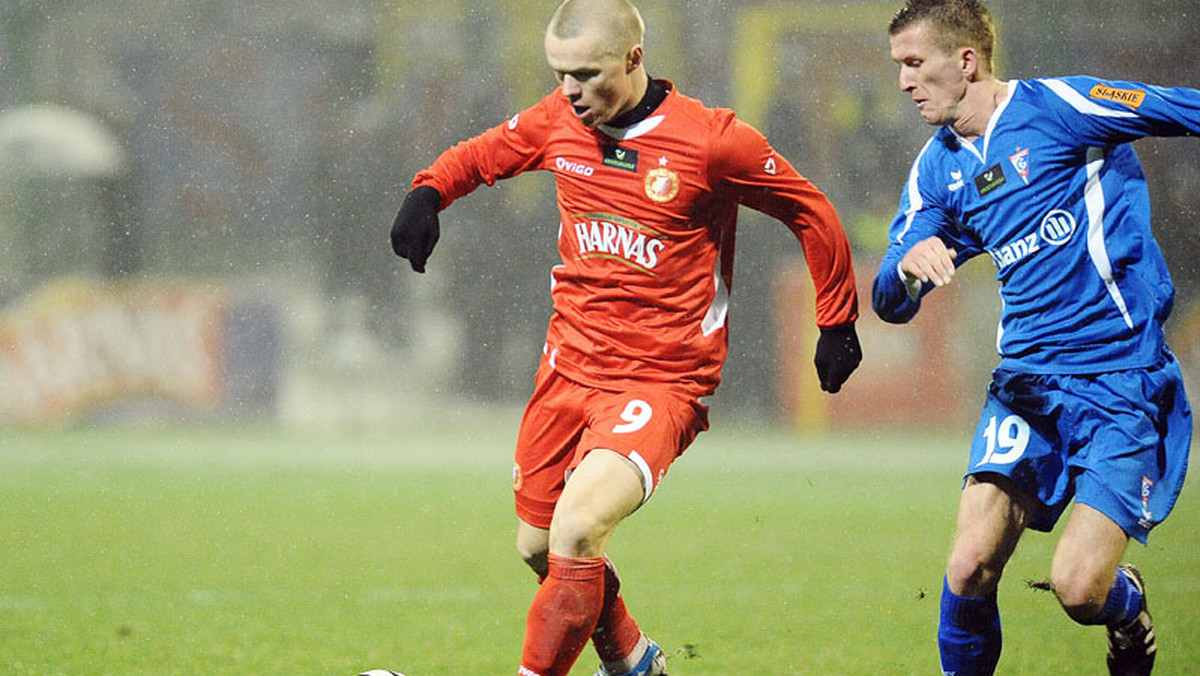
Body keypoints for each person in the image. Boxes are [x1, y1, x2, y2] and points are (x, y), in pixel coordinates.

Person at [390, 0, 862, 674]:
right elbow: (482, 155)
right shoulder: (559, 118)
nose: (569, 92)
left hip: (659, 380)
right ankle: (633, 659)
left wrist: (836, 319)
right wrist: (429, 193)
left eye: (585, 74)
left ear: (635, 59)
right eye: (559, 75)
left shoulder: (712, 141)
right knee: (537, 545)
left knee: (577, 531)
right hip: (567, 369)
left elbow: (808, 208)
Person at [873, 1, 1194, 674]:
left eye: (913, 63)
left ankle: (1125, 606)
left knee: (1079, 590)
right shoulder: (938, 169)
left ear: (966, 61)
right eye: (898, 66)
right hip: (1025, 387)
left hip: (1121, 383)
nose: (903, 82)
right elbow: (888, 299)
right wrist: (905, 268)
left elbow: (1181, 107)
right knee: (968, 565)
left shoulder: (1061, 108)